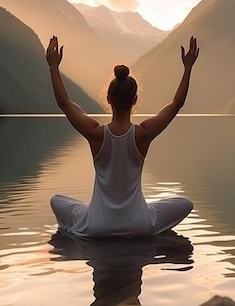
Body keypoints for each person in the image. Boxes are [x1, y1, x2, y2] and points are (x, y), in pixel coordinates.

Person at [46, 35, 199, 238]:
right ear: (135, 100)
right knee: (185, 204)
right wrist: (188, 67)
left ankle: (89, 212)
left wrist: (53, 67)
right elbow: (176, 104)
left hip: (97, 226)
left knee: (57, 200)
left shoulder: (95, 133)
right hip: (138, 225)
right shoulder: (143, 134)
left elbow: (64, 103)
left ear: (108, 99)